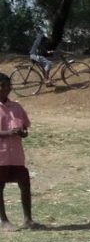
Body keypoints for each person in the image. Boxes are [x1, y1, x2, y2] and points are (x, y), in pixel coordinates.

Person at [0, 73, 37, 231]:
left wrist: (22, 133)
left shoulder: (16, 107)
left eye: (8, 86)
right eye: (2, 86)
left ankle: (28, 219)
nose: (6, 89)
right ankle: (4, 220)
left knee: (24, 181)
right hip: (1, 156)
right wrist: (8, 133)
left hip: (16, 156)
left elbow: (25, 128)